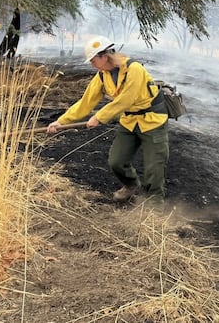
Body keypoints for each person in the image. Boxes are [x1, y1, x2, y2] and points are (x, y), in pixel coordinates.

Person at [47, 36, 170, 203]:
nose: (92, 64)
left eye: (93, 60)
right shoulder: (102, 75)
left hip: (152, 120)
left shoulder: (134, 69)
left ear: (104, 56)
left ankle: (155, 208)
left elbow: (126, 99)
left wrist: (99, 117)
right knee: (116, 161)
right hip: (129, 121)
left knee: (153, 169)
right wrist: (61, 121)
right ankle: (131, 185)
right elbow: (86, 102)